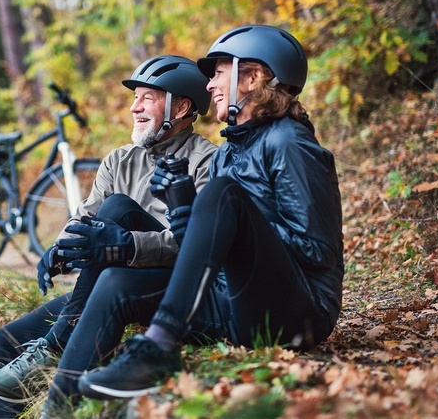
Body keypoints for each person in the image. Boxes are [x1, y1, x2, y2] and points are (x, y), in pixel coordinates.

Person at [76, 25, 344, 400]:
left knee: (223, 194)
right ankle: (57, 402)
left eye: (219, 73)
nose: (209, 85)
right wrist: (186, 211)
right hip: (235, 305)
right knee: (116, 284)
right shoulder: (227, 154)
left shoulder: (289, 142)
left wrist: (236, 219)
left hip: (301, 314)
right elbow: (206, 257)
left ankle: (160, 346)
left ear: (252, 77)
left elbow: (318, 250)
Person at [0, 55, 217, 418]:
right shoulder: (118, 160)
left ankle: (55, 344)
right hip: (108, 280)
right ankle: (49, 347)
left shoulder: (207, 161)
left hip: (163, 283)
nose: (134, 107)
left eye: (147, 98)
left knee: (119, 209)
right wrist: (61, 249)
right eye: (134, 98)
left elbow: (195, 243)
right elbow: (85, 216)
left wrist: (125, 246)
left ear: (183, 106)